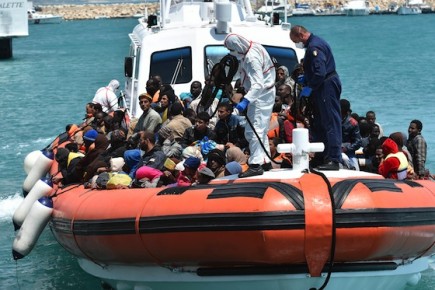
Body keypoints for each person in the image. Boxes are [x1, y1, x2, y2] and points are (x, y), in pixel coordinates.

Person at [290, 25, 342, 170]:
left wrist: (309, 86)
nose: (297, 44)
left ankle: (334, 158)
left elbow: (320, 72)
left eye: (296, 40)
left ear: (300, 35)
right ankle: (322, 155)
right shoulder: (315, 43)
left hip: (326, 86)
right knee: (319, 121)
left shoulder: (314, 48)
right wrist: (306, 78)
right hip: (321, 86)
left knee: (330, 121)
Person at [224, 33, 276, 177]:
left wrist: (245, 101)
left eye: (232, 49)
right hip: (260, 95)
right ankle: (265, 161)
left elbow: (258, 84)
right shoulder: (251, 49)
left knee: (256, 131)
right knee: (258, 130)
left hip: (260, 96)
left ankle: (255, 164)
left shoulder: (251, 58)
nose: (231, 53)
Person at [340, 99, 362, 170]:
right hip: (334, 150)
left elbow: (358, 142)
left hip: (348, 152)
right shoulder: (332, 120)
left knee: (356, 169)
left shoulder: (353, 123)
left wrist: (346, 148)